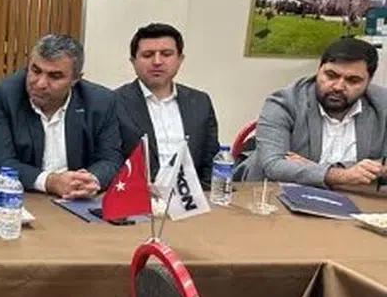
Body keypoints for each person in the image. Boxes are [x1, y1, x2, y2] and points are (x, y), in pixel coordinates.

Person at [0, 33, 132, 297]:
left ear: (76, 78)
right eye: (35, 70)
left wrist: (93, 178)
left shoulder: (100, 101)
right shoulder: (3, 95)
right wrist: (50, 181)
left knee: (107, 269)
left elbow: (112, 156)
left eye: (54, 76)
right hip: (16, 202)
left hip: (77, 209)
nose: (40, 82)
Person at [248, 36, 387, 188]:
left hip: (355, 197)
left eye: (352, 80)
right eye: (331, 75)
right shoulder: (284, 102)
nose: (338, 86)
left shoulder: (382, 104)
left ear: (369, 81)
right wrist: (344, 175)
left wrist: (313, 168)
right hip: (276, 194)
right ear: (318, 70)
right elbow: (274, 166)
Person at [114, 23, 219, 186]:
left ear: (180, 60)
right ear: (133, 61)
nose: (157, 61)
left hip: (191, 197)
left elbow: (210, 161)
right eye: (148, 55)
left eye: (166, 54)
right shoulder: (114, 102)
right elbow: (109, 160)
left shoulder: (200, 102)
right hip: (135, 195)